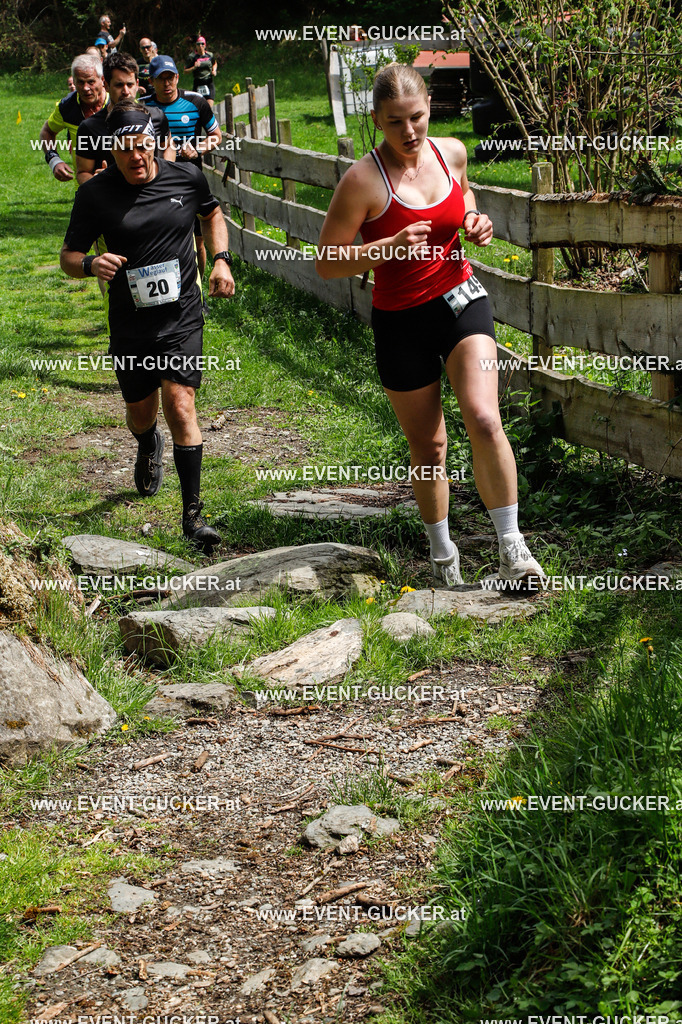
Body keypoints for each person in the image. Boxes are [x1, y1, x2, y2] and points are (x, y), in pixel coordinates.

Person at [315, 63, 546, 587]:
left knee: (484, 418)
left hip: (461, 300)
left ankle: (514, 551)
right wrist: (386, 248)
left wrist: (474, 220)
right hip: (400, 321)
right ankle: (444, 560)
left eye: (417, 117)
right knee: (430, 447)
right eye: (395, 121)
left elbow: (464, 196)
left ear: (429, 111)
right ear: (377, 119)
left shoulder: (452, 152)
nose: (410, 131)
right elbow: (327, 261)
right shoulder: (362, 180)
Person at [60, 101, 235, 551]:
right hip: (130, 323)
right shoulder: (95, 195)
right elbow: (68, 257)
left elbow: (212, 213)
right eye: (125, 150)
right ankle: (146, 441)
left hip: (181, 315)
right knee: (142, 412)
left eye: (143, 146)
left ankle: (193, 517)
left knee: (181, 405)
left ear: (154, 142)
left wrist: (220, 259)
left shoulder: (186, 177)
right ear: (109, 150)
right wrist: (90, 263)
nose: (136, 157)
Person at [144, 55, 222, 281]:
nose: (167, 84)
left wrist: (198, 149)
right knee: (160, 237)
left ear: (178, 78)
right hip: (155, 180)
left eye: (171, 78)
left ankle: (199, 290)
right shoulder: (143, 107)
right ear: (151, 81)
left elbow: (216, 135)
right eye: (161, 79)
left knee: (198, 238)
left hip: (190, 178)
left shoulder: (196, 102)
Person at [76, 52, 173, 186]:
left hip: (152, 193)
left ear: (137, 84)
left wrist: (164, 174)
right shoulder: (90, 127)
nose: (126, 91)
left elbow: (169, 146)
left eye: (130, 84)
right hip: (113, 196)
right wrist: (97, 182)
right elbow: (83, 172)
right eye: (119, 85)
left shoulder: (156, 116)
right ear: (106, 85)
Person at [39, 54, 106, 183]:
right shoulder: (67, 107)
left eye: (91, 82)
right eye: (80, 82)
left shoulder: (116, 103)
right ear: (73, 82)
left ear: (102, 79)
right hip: (84, 186)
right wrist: (54, 160)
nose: (86, 88)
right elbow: (47, 131)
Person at [184, 36, 217, 107]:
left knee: (208, 108)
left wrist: (214, 70)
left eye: (202, 44)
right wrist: (194, 67)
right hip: (198, 83)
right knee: (198, 108)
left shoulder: (210, 55)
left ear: (205, 45)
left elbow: (214, 63)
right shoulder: (192, 57)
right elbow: (185, 71)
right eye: (198, 44)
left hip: (209, 82)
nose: (200, 46)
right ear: (196, 46)